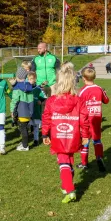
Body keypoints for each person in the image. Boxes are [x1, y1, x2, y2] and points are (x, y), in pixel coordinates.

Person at [41, 62, 90, 203]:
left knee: (63, 161)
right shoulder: (79, 100)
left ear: (58, 82)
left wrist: (45, 134)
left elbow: (46, 118)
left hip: (58, 135)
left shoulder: (51, 100)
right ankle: (66, 184)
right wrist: (85, 135)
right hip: (73, 135)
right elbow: (84, 119)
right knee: (69, 160)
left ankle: (69, 190)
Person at [78, 67, 109, 172]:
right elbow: (106, 100)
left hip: (86, 120)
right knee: (97, 139)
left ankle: (84, 163)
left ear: (83, 78)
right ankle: (99, 157)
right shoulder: (99, 88)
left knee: (85, 140)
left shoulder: (82, 91)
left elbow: (78, 105)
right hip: (97, 118)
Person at [10, 68, 35, 152]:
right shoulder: (29, 86)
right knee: (25, 128)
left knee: (23, 129)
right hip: (29, 111)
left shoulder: (17, 87)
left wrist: (12, 110)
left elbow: (15, 100)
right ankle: (24, 142)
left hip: (21, 112)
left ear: (17, 76)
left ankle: (25, 146)